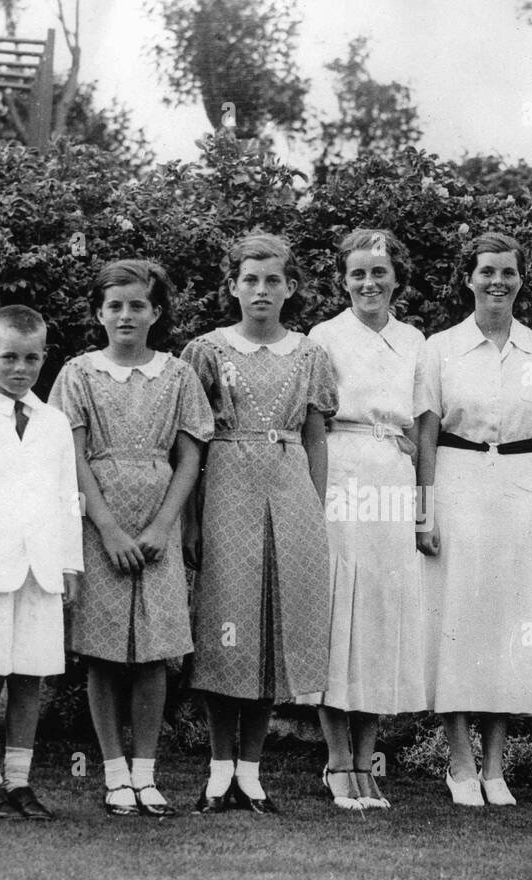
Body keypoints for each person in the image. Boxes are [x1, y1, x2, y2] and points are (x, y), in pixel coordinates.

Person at [49, 260, 213, 817]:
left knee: (152, 657)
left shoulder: (177, 375)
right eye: (114, 305)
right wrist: (109, 528)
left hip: (157, 526)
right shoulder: (78, 374)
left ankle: (146, 775)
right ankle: (114, 774)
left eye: (137, 305)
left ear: (156, 312)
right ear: (99, 312)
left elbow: (191, 455)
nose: (125, 315)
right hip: (101, 524)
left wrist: (165, 524)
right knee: (103, 657)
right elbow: (69, 456)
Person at [181, 233, 338, 815]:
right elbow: (191, 441)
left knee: (274, 630)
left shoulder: (309, 354)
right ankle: (219, 771)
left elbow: (317, 438)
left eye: (273, 280)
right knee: (228, 626)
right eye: (250, 279)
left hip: (290, 490)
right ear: (233, 286)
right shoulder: (207, 351)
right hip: (226, 487)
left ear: (290, 287)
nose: (261, 290)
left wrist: (315, 513)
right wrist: (191, 520)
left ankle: (252, 771)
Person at [416, 231, 532, 807]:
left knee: (509, 624)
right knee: (457, 620)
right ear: (468, 278)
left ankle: (496, 768)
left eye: (507, 272)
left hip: (520, 488)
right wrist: (423, 513)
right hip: (456, 483)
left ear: (521, 279)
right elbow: (426, 432)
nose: (496, 282)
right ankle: (459, 763)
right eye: (486, 272)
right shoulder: (440, 347)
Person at [0, 305, 83, 820]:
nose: (20, 368)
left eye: (31, 358)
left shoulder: (54, 422)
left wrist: (70, 565)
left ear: (45, 358)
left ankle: (20, 783)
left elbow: (68, 497)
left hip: (42, 569)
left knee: (32, 676)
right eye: (8, 358)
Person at [307, 229, 427, 810]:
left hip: (393, 477)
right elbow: (313, 424)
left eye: (379, 272)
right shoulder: (323, 336)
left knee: (380, 613)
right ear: (343, 279)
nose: (368, 283)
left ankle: (364, 762)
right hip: (342, 470)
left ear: (396, 279)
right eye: (357, 273)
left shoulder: (415, 339)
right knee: (341, 610)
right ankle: (335, 762)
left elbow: (423, 425)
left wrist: (421, 504)